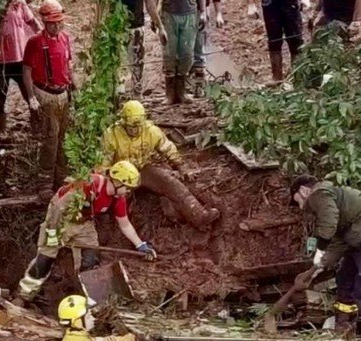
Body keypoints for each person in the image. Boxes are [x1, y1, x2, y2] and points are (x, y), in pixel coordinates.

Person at [17, 161, 155, 302]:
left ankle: (83, 302)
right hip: (61, 217)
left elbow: (125, 224)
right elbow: (59, 208)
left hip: (84, 221)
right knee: (45, 258)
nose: (128, 192)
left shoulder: (118, 199)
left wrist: (140, 245)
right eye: (128, 188)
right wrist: (52, 234)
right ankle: (24, 295)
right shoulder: (90, 184)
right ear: (118, 182)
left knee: (90, 260)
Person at [289, 175, 361, 337]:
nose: (301, 207)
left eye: (298, 201)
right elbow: (340, 240)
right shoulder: (335, 198)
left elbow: (329, 224)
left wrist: (320, 249)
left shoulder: (318, 194)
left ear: (304, 190)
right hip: (360, 236)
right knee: (345, 279)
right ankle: (345, 323)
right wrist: (321, 264)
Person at [100, 100, 220, 228]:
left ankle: (198, 214)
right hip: (120, 175)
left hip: (143, 170)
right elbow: (104, 162)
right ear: (123, 122)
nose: (135, 130)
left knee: (170, 182)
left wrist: (180, 166)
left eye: (138, 126)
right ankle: (108, 223)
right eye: (131, 127)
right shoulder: (111, 134)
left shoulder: (151, 131)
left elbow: (167, 147)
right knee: (114, 198)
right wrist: (110, 181)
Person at [23, 0, 73, 194]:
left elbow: (68, 64)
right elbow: (26, 70)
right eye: (53, 23)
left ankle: (62, 179)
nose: (57, 26)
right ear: (44, 22)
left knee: (64, 137)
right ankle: (45, 183)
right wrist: (31, 97)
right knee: (50, 139)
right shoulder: (35, 42)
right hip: (46, 93)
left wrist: (73, 85)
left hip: (63, 93)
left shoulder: (65, 38)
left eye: (59, 22)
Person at [0, 0, 42, 136]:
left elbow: (32, 21)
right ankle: (1, 130)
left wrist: (43, 35)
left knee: (30, 93)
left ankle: (37, 123)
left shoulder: (19, 4)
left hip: (20, 58)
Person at [159, 0, 206, 103]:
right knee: (169, 53)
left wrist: (203, 12)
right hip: (168, 13)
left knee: (187, 54)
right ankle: (170, 93)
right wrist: (156, 19)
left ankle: (181, 91)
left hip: (190, 13)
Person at [123, 0, 166, 98]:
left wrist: (160, 26)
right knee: (120, 69)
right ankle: (119, 100)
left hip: (135, 29)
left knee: (137, 69)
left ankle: (136, 100)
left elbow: (149, 4)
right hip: (116, 30)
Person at [261, 0, 304, 82]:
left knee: (295, 41)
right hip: (270, 4)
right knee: (274, 40)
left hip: (290, 3)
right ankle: (277, 79)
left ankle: (298, 78)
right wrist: (251, 4)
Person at [191, 0, 223, 97]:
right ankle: (181, 86)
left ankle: (199, 84)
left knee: (199, 47)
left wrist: (218, 13)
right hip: (176, 11)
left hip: (199, 10)